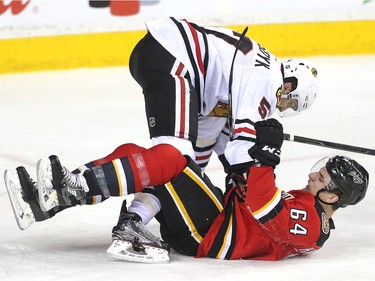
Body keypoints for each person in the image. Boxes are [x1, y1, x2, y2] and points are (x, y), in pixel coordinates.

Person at [4, 119, 368, 263]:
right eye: (322, 168)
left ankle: (69, 191)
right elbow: (250, 199)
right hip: (216, 216)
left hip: (209, 234)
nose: (317, 173)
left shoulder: (312, 225)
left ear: (334, 197)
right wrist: (236, 160)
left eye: (326, 177)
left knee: (171, 159)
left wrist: (267, 157)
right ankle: (52, 197)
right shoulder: (307, 205)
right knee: (140, 156)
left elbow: (262, 206)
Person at [122, 16, 320, 228]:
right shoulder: (268, 84)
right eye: (290, 103)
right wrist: (258, 173)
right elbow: (240, 149)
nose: (282, 108)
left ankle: (134, 218)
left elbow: (226, 140)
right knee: (173, 157)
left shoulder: (260, 73)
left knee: (185, 170)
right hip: (172, 57)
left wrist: (239, 173)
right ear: (289, 85)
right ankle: (86, 183)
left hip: (161, 53)